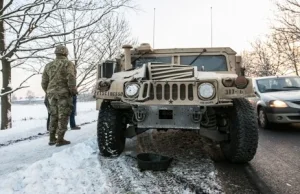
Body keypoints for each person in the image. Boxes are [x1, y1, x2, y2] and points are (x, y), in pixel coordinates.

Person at [41, 45, 77, 146]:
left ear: (56, 53)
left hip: (51, 94)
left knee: (53, 115)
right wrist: (72, 90)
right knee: (63, 115)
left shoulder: (48, 65)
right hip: (64, 93)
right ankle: (60, 139)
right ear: (66, 53)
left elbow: (44, 82)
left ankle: (52, 138)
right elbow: (71, 76)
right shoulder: (68, 63)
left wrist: (49, 91)